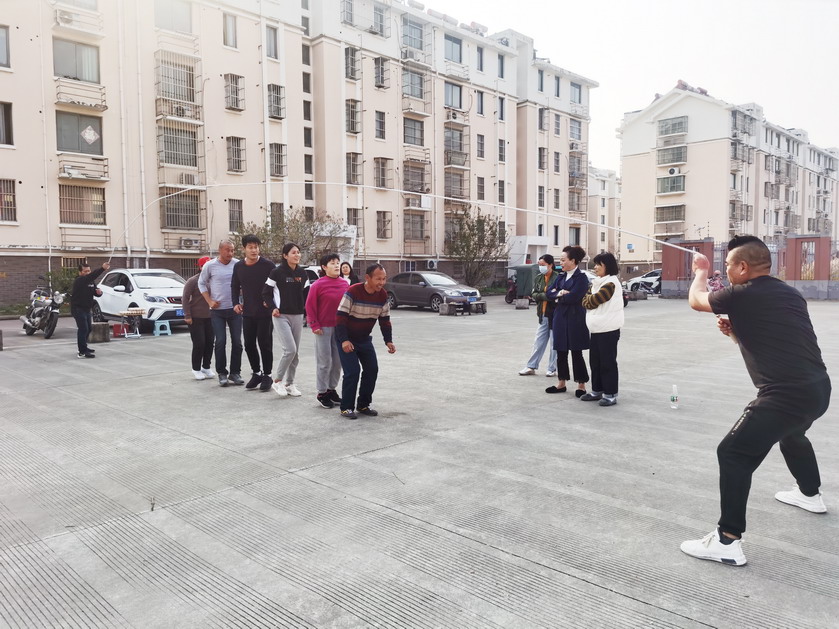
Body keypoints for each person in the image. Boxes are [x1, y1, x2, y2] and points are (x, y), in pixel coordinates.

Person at [680, 235, 831, 566]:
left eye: (728, 265)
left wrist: (701, 271)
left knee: (732, 453)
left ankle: (726, 540)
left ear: (743, 267)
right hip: (818, 390)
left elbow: (696, 300)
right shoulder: (789, 294)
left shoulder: (742, 293)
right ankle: (810, 494)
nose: (725, 270)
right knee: (792, 434)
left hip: (785, 395)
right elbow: (776, 338)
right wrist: (736, 332)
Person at [335, 263, 396, 419]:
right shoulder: (353, 291)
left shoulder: (382, 295)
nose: (381, 282)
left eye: (384, 279)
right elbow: (340, 318)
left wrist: (388, 341)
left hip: (364, 339)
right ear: (367, 278)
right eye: (378, 279)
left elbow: (385, 320)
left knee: (372, 369)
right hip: (346, 338)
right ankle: (346, 408)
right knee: (353, 371)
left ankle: (363, 405)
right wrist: (344, 340)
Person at [262, 242, 307, 397]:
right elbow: (266, 293)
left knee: (295, 353)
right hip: (281, 316)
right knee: (290, 350)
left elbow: (306, 294)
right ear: (285, 255)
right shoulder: (276, 272)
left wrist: (307, 312)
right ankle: (277, 381)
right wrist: (272, 308)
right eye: (293, 252)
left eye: (298, 252)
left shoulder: (302, 273)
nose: (297, 255)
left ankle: (290, 383)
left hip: (298, 315)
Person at [232, 235, 275, 392]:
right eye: (250, 247)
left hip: (265, 312)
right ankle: (256, 373)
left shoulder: (268, 265)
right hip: (248, 312)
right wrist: (235, 303)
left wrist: (270, 302)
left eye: (256, 247)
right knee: (249, 344)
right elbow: (234, 286)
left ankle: (268, 375)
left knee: (265, 344)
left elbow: (276, 285)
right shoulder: (238, 266)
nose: (254, 250)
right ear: (244, 249)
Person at [545, 246, 590, 396]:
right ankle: (561, 383)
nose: (561, 262)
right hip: (560, 318)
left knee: (576, 352)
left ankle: (581, 384)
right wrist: (561, 293)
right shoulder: (560, 276)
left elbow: (574, 297)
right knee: (561, 351)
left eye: (563, 260)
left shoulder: (581, 278)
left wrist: (558, 296)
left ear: (573, 261)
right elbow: (548, 293)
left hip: (575, 318)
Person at [580, 252, 624, 406]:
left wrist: (588, 299)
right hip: (596, 329)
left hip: (608, 329)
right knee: (595, 362)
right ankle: (597, 390)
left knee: (607, 362)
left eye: (599, 264)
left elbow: (593, 301)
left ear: (608, 266)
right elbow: (584, 301)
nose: (596, 267)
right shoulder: (597, 283)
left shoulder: (611, 283)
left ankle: (610, 393)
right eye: (595, 264)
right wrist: (588, 299)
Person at [198, 240, 244, 387]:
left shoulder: (238, 264)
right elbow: (201, 283)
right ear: (220, 250)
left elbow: (244, 283)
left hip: (234, 309)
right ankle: (222, 373)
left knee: (237, 342)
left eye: (232, 250)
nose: (230, 253)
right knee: (220, 341)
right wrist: (209, 301)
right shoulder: (210, 265)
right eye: (227, 250)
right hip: (217, 311)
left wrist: (243, 300)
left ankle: (235, 373)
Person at [305, 253, 347, 409]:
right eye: (332, 263)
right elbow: (310, 306)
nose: (336, 265)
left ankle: (331, 389)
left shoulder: (345, 284)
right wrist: (314, 325)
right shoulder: (318, 285)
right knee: (324, 361)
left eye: (337, 263)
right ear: (324, 267)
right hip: (323, 328)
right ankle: (322, 392)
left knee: (337, 361)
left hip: (340, 328)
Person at [518, 254, 558, 377]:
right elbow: (534, 294)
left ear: (550, 265)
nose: (541, 267)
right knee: (538, 342)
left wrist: (544, 295)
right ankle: (531, 366)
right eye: (539, 265)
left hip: (554, 315)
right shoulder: (539, 278)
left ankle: (552, 368)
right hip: (542, 314)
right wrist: (545, 295)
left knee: (554, 344)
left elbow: (556, 295)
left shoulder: (557, 278)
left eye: (543, 265)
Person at [182, 256, 215, 380]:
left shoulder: (213, 279)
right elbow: (185, 298)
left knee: (210, 343)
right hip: (196, 317)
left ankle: (206, 367)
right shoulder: (193, 281)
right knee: (199, 343)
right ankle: (196, 368)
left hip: (211, 317)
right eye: (204, 266)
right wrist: (187, 315)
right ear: (200, 267)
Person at [70, 261, 110, 359]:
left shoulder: (91, 281)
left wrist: (99, 293)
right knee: (83, 329)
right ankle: (82, 352)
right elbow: (92, 276)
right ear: (80, 272)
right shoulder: (80, 280)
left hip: (87, 309)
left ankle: (84, 347)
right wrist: (102, 268)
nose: (87, 273)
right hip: (78, 308)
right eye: (85, 271)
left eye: (89, 271)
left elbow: (95, 292)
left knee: (88, 329)